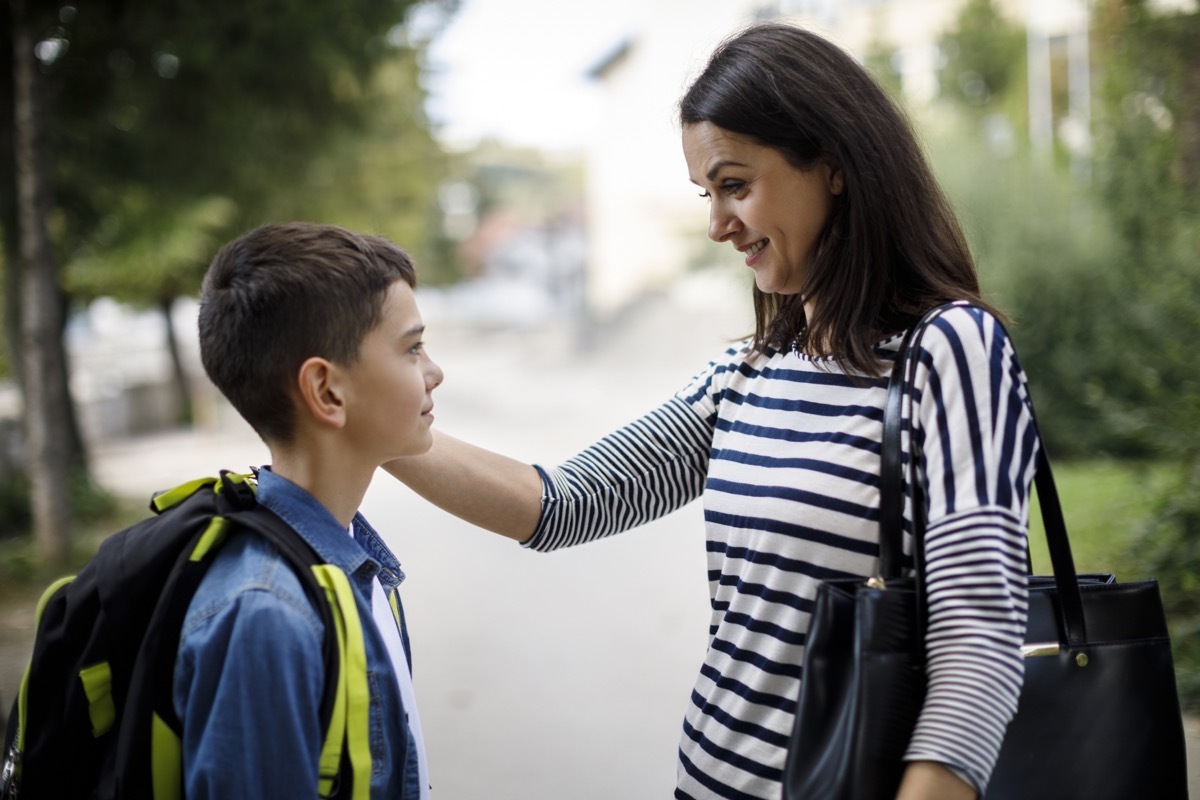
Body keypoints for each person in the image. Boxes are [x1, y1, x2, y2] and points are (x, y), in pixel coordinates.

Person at [385, 21, 1037, 800]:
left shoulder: (950, 349)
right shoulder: (746, 372)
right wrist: (373, 428)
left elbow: (981, 642)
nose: (716, 224)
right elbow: (562, 503)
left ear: (831, 166)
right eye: (707, 193)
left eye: (735, 185)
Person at [184, 222, 444, 798]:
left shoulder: (353, 559)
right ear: (327, 392)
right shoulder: (266, 617)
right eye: (412, 348)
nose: (434, 372)